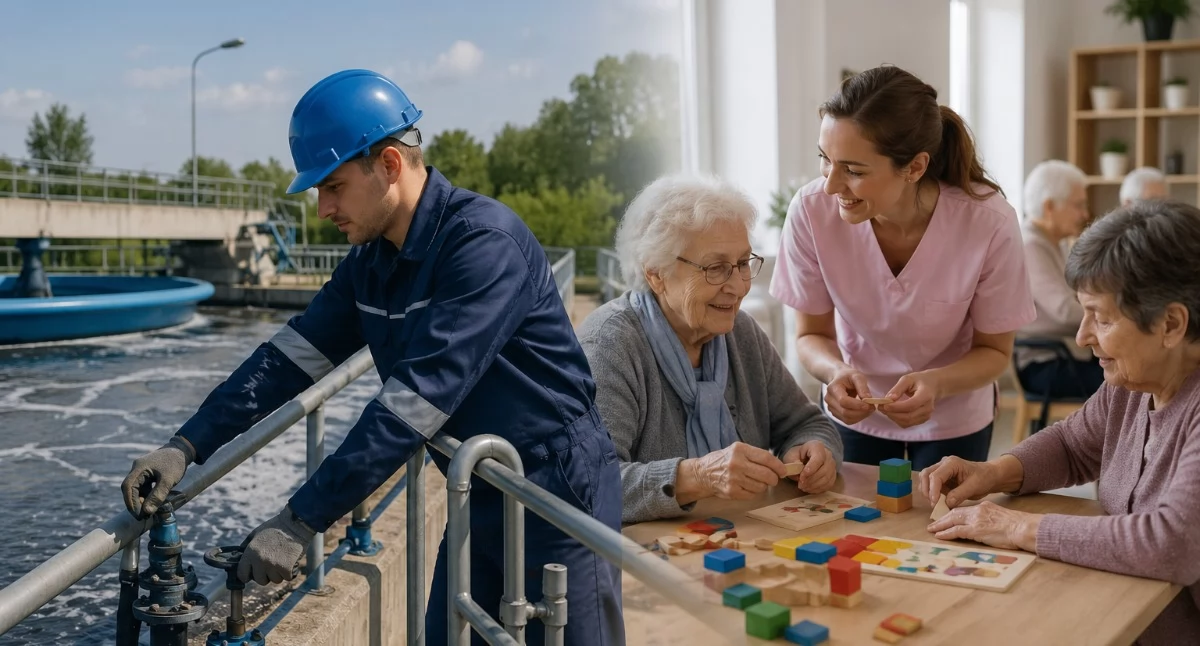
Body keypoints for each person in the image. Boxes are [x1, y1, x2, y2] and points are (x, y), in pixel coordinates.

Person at [119, 69, 624, 645]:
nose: (321, 209)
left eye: (331, 187)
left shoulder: (483, 247)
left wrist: (299, 520)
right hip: (477, 485)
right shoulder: (372, 262)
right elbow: (287, 361)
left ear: (388, 164)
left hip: (554, 486)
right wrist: (186, 446)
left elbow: (411, 407)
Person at [920, 200, 1200, 645]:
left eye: (1102, 318)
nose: (1082, 335)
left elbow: (1172, 545)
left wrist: (1016, 527)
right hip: (1121, 614)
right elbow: (1072, 445)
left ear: (1171, 324)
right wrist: (993, 472)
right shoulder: (1132, 382)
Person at [769, 65, 1036, 471]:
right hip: (855, 415)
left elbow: (995, 351)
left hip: (954, 414)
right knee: (853, 527)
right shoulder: (810, 212)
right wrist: (833, 370)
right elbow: (811, 334)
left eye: (854, 171)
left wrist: (938, 383)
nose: (830, 185)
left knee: (942, 529)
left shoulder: (989, 222)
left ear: (914, 168)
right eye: (825, 160)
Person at [577, 174, 843, 524]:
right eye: (716, 268)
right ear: (657, 273)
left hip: (737, 542)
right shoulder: (610, 345)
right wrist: (697, 476)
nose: (737, 286)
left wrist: (814, 451)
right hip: (640, 562)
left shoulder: (741, 333)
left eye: (744, 263)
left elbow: (807, 423)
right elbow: (589, 486)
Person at [1015, 160, 1104, 397]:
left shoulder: (1057, 243)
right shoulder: (1030, 245)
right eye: (1078, 205)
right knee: (1125, 384)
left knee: (1135, 370)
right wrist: (1112, 316)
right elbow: (1064, 310)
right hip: (1044, 363)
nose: (1085, 214)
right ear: (1049, 206)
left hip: (1067, 355)